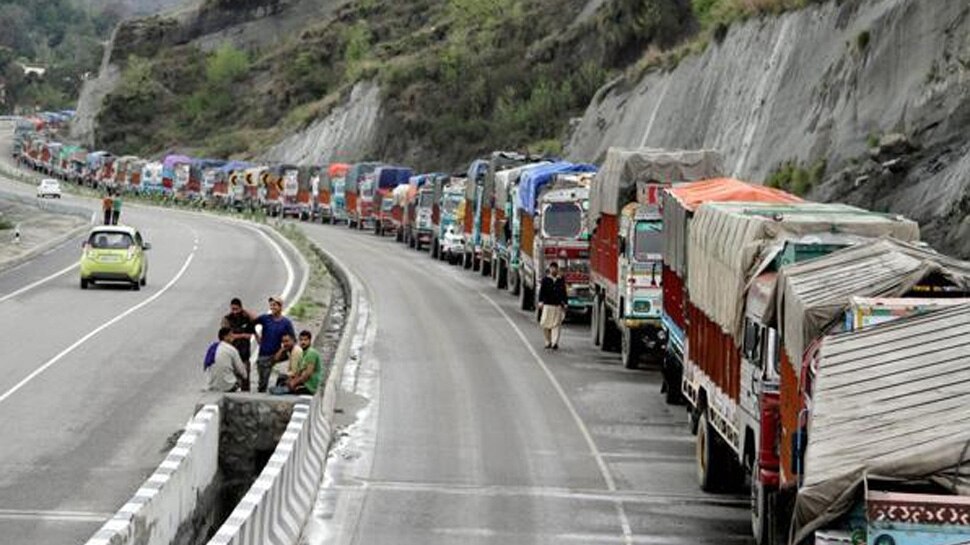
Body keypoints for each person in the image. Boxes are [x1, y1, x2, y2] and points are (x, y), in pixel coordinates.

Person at [250, 295, 295, 393]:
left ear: (280, 307)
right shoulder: (265, 318)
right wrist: (257, 336)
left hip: (277, 355)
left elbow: (293, 340)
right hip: (263, 354)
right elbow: (251, 324)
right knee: (262, 383)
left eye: (275, 305)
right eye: (271, 305)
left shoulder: (286, 323)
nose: (272, 307)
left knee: (277, 377)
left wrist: (283, 349)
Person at [271, 330, 324, 395]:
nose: (303, 342)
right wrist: (292, 381)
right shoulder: (304, 353)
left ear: (310, 341)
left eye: (305, 340)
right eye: (301, 340)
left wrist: (294, 383)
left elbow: (307, 374)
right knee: (284, 384)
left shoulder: (311, 353)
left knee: (289, 389)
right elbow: (299, 372)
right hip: (304, 383)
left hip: (310, 386)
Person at [222, 297, 256, 391]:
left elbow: (256, 320)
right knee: (232, 382)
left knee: (245, 380)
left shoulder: (246, 317)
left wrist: (245, 311)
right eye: (233, 309)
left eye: (237, 309)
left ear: (241, 308)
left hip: (244, 356)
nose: (235, 312)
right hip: (231, 355)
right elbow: (227, 336)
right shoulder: (227, 319)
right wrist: (243, 335)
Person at [206, 327, 248, 392]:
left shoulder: (212, 348)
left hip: (212, 385)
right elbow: (243, 372)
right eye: (231, 335)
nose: (233, 337)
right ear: (225, 337)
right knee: (241, 372)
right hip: (228, 386)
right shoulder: (232, 350)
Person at [538, 262, 568, 350]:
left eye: (555, 268)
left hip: (557, 306)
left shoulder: (560, 280)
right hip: (547, 305)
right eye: (552, 268)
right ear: (549, 269)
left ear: (557, 269)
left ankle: (555, 342)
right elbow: (541, 292)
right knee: (545, 324)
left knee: (556, 325)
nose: (553, 270)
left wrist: (565, 303)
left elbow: (564, 292)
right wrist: (540, 302)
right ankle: (548, 341)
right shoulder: (545, 280)